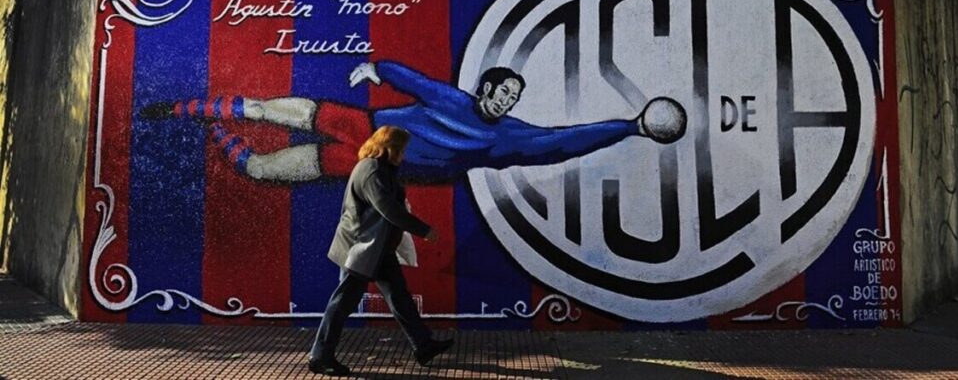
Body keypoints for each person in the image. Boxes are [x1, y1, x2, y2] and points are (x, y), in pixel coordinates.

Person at [141, 60, 687, 183]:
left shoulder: (509, 140)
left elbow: (564, 142)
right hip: (356, 122)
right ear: (486, 88)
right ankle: (181, 111)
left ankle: (212, 132)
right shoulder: (451, 99)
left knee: (259, 169)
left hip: (360, 161)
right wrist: (375, 67)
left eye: (513, 96)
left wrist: (630, 126)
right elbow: (413, 81)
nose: (504, 100)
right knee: (261, 108)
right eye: (501, 90)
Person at [307, 126, 453, 376]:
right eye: (401, 149)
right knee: (343, 302)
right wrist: (424, 230)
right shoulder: (372, 170)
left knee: (399, 297)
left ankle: (424, 345)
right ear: (390, 148)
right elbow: (388, 209)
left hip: (378, 249)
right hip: (361, 249)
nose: (404, 155)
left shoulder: (381, 169)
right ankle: (320, 356)